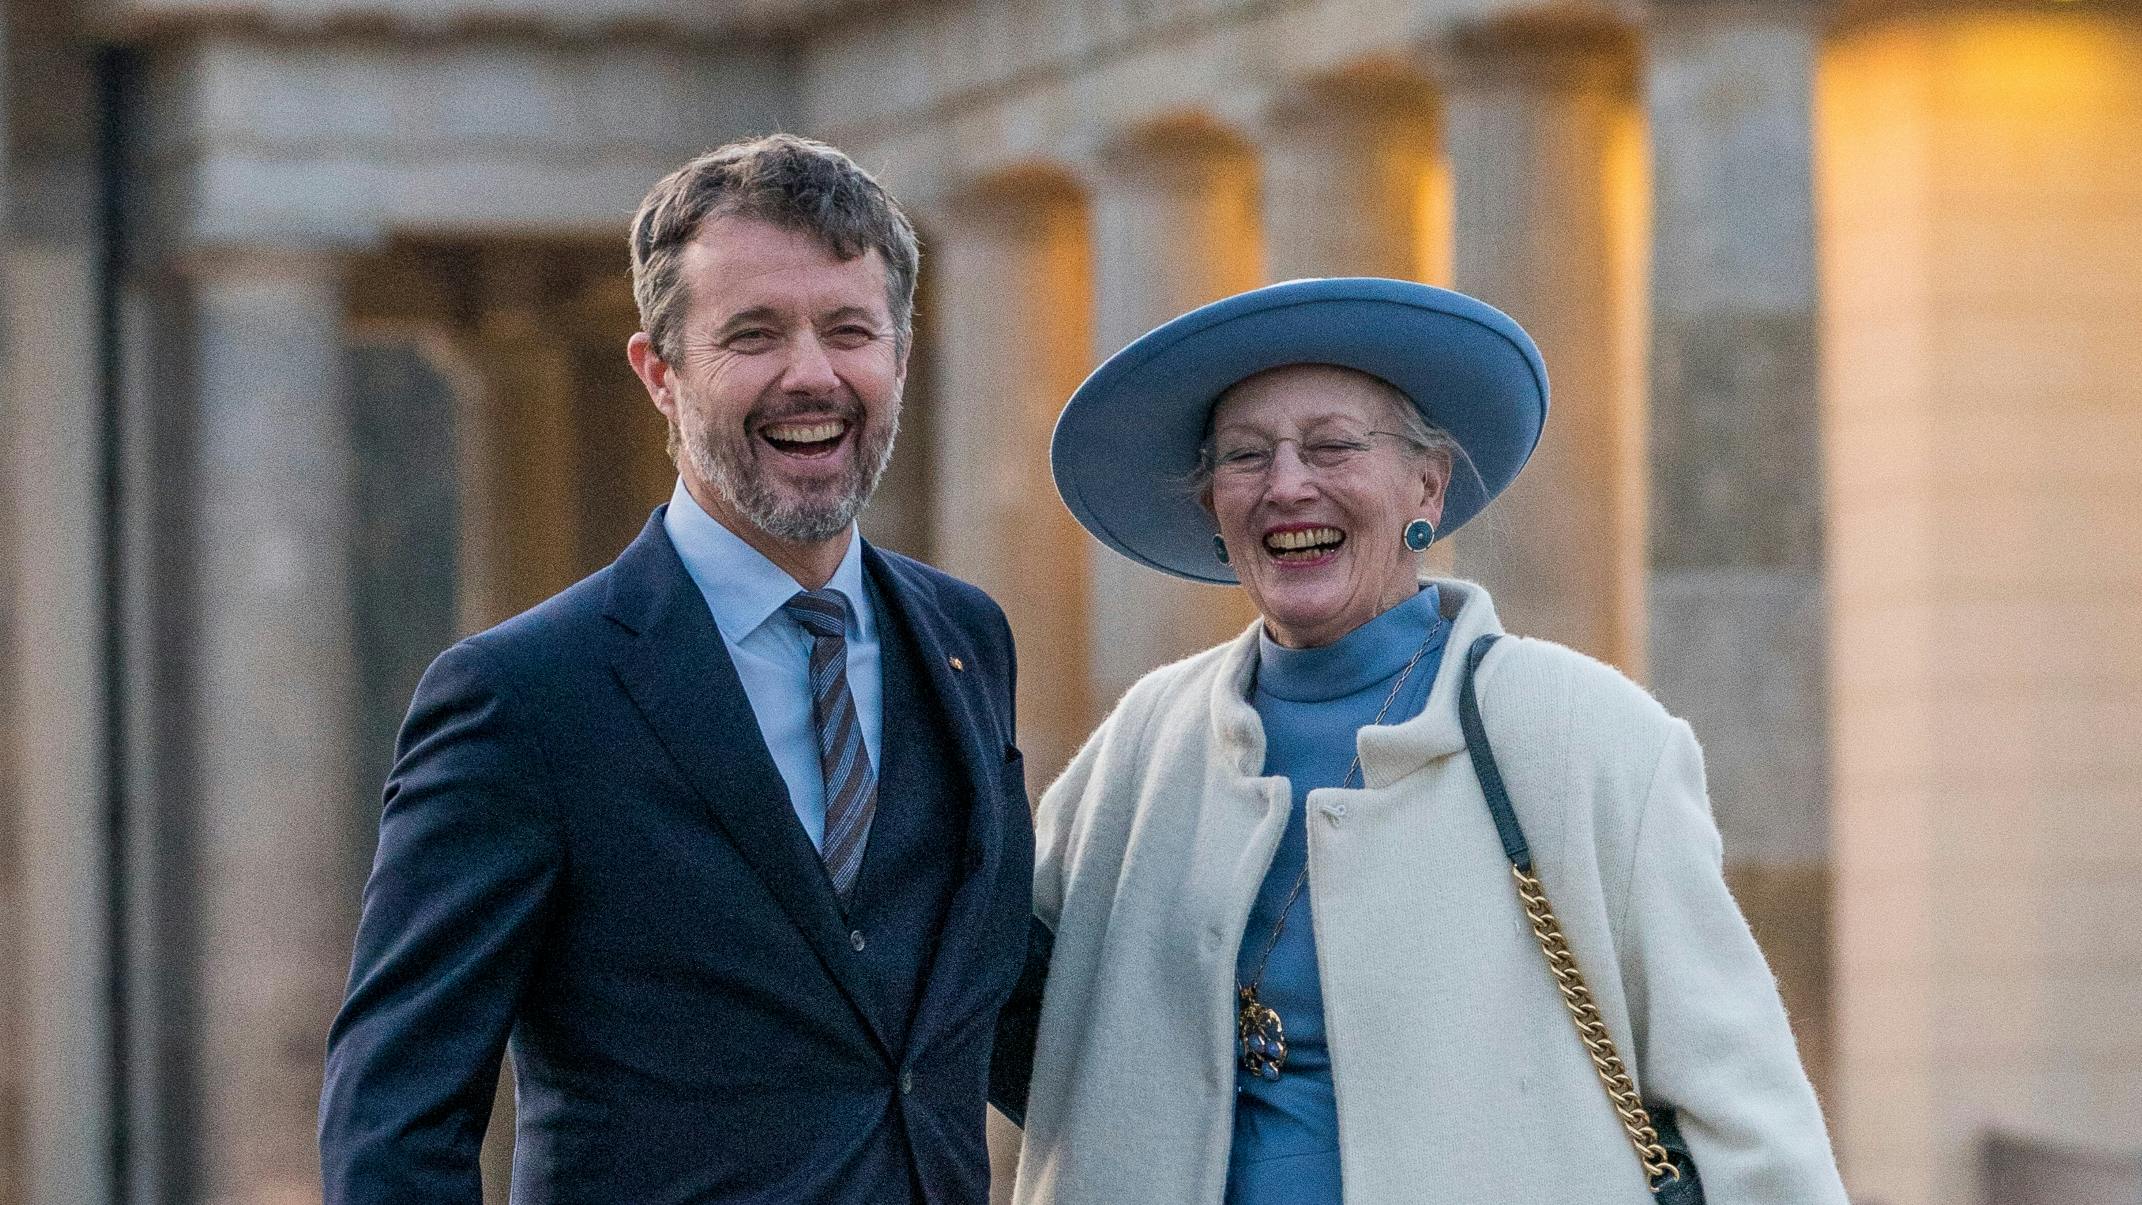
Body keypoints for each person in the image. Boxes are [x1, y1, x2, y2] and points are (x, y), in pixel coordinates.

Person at [1009, 278, 1847, 1203]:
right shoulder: (1143, 741)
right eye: (1247, 457)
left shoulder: (1586, 736)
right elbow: (990, 1001)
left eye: (1332, 445)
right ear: (1212, 506)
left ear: (1428, 484)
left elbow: (1747, 1111)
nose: (1288, 484)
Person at [319, 134, 1035, 1204]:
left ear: (900, 353)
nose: (812, 374)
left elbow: (1005, 1002)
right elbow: (392, 1127)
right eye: (753, 334)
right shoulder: (520, 697)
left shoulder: (966, 638)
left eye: (849, 330)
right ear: (660, 372)